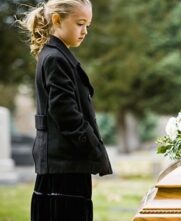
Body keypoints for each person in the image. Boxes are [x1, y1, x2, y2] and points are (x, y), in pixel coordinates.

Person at [18, 0, 112, 220]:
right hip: (63, 168)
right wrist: (94, 149)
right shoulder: (55, 59)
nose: (85, 31)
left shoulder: (57, 56)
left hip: (65, 165)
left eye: (87, 25)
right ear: (57, 20)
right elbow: (67, 115)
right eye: (80, 23)